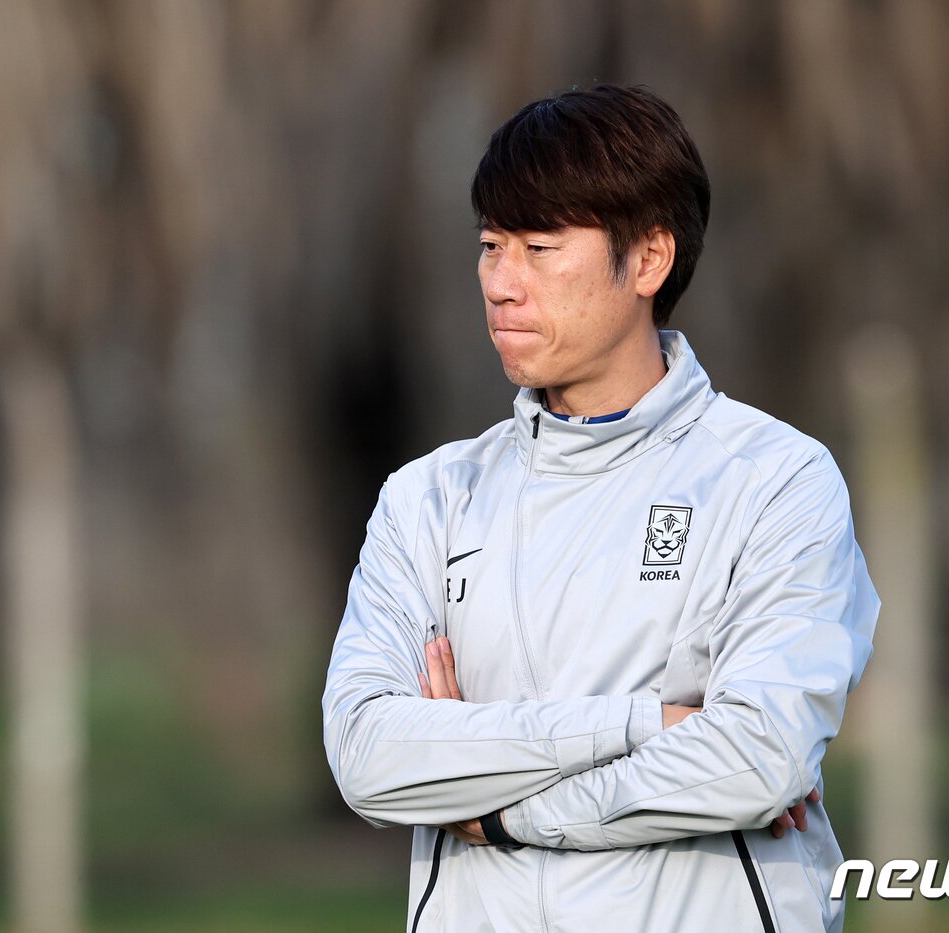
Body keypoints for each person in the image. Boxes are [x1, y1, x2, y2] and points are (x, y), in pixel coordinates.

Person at [322, 84, 879, 932]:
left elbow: (759, 757)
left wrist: (501, 809)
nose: (502, 284)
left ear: (649, 258)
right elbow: (367, 756)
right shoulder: (429, 497)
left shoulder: (775, 478)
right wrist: (648, 723)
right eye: (489, 246)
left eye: (541, 247)